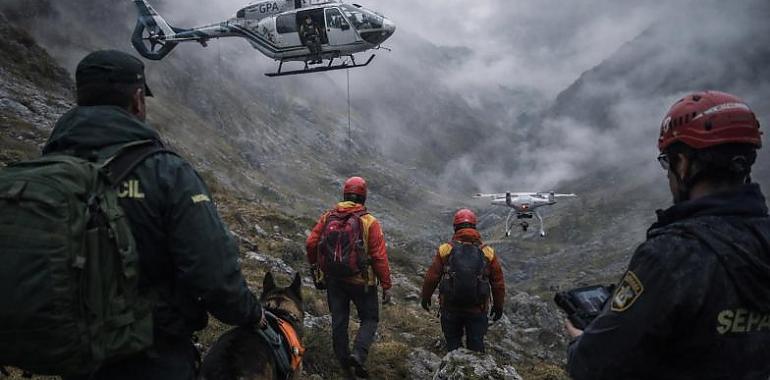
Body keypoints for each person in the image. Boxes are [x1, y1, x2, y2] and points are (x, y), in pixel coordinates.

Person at [43, 50, 265, 380]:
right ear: (137, 99)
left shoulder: (48, 167)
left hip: (75, 351)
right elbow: (212, 271)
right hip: (151, 352)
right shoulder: (164, 172)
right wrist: (251, 313)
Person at [565, 91, 770, 380]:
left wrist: (579, 341)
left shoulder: (670, 256)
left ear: (683, 164)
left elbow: (592, 365)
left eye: (667, 162)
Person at [306, 176, 392, 379]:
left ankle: (344, 366)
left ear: (345, 194)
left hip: (334, 279)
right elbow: (379, 257)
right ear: (364, 196)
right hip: (361, 281)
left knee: (339, 321)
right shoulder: (369, 221)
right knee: (369, 318)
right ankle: (358, 355)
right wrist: (386, 285)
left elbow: (311, 243)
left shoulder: (328, 216)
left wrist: (315, 266)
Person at [420, 208, 505, 353]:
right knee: (476, 343)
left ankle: (453, 370)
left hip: (450, 308)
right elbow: (498, 283)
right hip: (477, 309)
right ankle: (477, 372)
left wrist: (425, 297)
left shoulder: (445, 249)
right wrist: (498, 306)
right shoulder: (487, 252)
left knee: (453, 342)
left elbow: (432, 277)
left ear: (455, 227)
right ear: (474, 227)